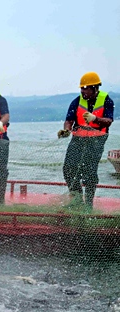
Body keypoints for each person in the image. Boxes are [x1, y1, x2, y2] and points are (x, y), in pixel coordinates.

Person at [58, 72, 114, 210]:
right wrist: (66, 130)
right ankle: (77, 199)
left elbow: (108, 121)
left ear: (95, 88)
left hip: (97, 140)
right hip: (78, 139)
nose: (83, 91)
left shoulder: (107, 100)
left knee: (89, 171)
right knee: (68, 169)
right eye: (81, 88)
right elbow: (69, 120)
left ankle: (89, 203)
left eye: (85, 88)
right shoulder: (76, 101)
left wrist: (95, 119)